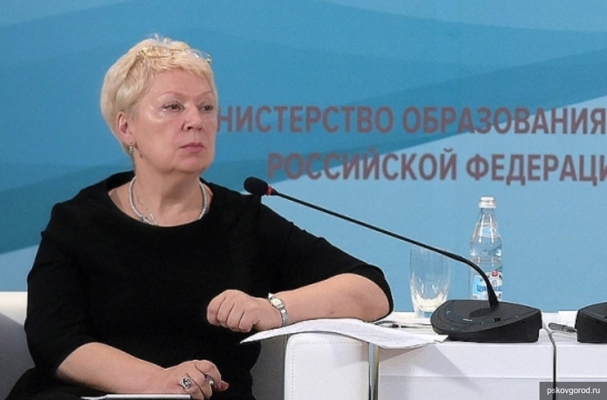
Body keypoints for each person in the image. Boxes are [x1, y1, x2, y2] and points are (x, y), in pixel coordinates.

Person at [6, 35, 393, 400]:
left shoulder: (245, 222)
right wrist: (157, 381)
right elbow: (54, 340)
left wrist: (273, 307)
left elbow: (371, 289)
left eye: (206, 107)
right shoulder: (77, 222)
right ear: (126, 127)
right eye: (173, 107)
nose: (196, 121)